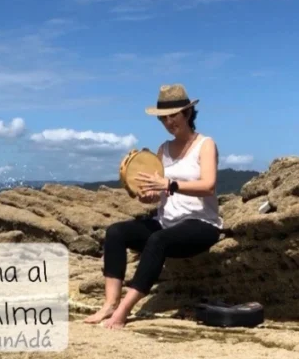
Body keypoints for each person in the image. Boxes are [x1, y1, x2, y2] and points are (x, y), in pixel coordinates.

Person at [84, 83, 223, 329]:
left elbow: (209, 185)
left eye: (173, 116)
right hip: (167, 221)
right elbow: (160, 190)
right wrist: (149, 195)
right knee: (116, 232)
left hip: (201, 224)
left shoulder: (206, 144)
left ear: (188, 113)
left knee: (157, 240)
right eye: (163, 118)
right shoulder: (163, 149)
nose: (169, 122)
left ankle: (124, 311)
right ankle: (109, 304)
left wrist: (168, 184)